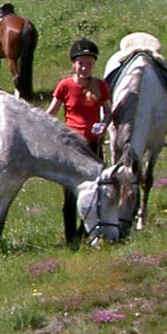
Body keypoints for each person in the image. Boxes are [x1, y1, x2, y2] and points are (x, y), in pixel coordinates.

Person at [46, 38, 113, 246]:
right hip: (71, 147)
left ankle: (87, 232)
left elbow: (109, 112)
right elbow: (51, 113)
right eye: (81, 63)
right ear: (73, 64)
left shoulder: (100, 86)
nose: (84, 67)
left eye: (89, 64)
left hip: (93, 145)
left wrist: (103, 125)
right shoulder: (65, 86)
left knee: (95, 189)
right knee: (70, 194)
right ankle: (70, 238)